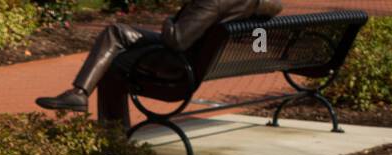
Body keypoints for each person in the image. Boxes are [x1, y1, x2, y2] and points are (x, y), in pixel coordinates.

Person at [36, 0, 283, 116]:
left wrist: (169, 20)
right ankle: (78, 94)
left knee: (112, 66)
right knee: (117, 32)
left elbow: (176, 40)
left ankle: (111, 153)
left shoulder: (212, 2)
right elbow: (275, 5)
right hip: (195, 59)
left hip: (177, 68)